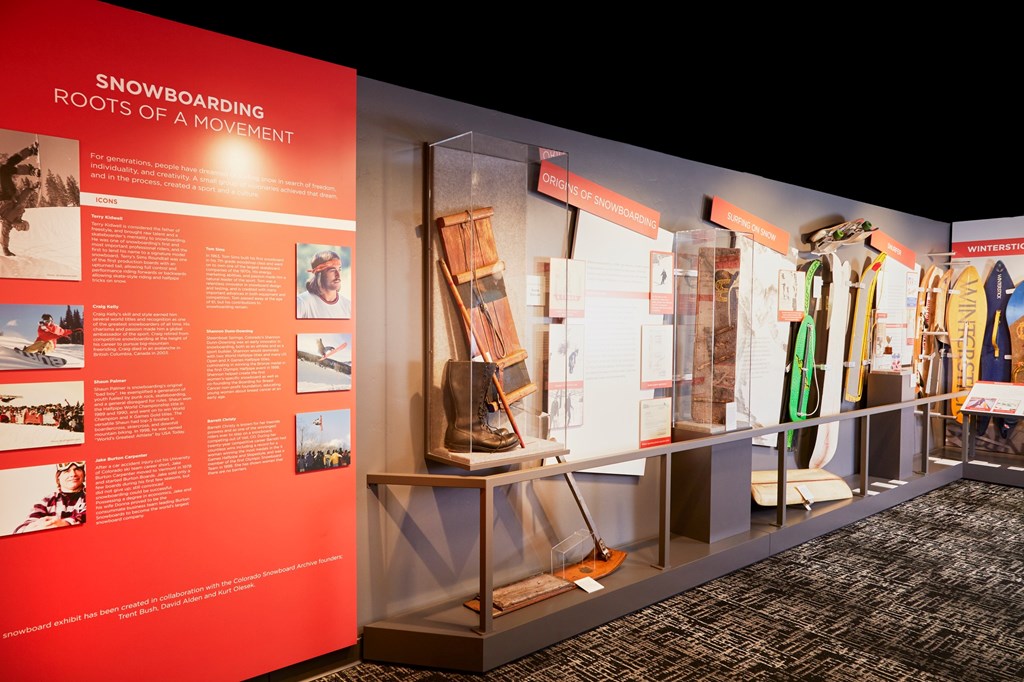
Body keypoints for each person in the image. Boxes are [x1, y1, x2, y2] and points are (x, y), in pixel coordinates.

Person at [14, 462, 87, 534]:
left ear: (83, 474)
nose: (73, 474)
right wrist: (33, 528)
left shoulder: (92, 496)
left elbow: (87, 516)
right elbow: (25, 526)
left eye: (77, 469)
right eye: (66, 471)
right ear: (58, 477)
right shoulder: (45, 501)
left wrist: (66, 523)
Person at [0, 142, 40, 257]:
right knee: (4, 169)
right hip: (8, 194)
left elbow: (4, 235)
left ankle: (30, 166)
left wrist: (5, 249)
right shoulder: (18, 213)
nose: (20, 227)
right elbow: (23, 199)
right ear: (23, 222)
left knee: (5, 168)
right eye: (23, 226)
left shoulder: (7, 223)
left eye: (21, 229)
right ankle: (30, 162)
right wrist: (32, 188)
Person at [296, 249, 351, 318]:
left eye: (339, 269)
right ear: (319, 274)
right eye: (332, 270)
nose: (338, 275)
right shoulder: (302, 303)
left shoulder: (348, 306)